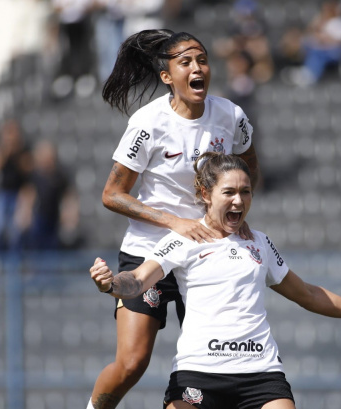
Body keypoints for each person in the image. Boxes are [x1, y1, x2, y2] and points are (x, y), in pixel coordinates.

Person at [90, 152, 341, 409]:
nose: (239, 201)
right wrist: (111, 284)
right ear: (206, 194)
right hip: (199, 372)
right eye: (228, 192)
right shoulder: (184, 239)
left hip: (261, 373)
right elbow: (139, 280)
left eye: (245, 191)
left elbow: (307, 293)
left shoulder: (260, 243)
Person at [87, 29, 260, 409]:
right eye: (186, 62)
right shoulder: (148, 123)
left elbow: (249, 164)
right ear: (167, 76)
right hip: (149, 253)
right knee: (132, 364)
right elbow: (111, 194)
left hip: (203, 256)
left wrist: (236, 213)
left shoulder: (231, 116)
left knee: (218, 364)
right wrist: (173, 221)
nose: (197, 68)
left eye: (202, 60)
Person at [0, 119, 32, 252]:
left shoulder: (24, 149)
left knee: (16, 232)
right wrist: (5, 150)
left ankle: (13, 265)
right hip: (1, 193)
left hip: (18, 194)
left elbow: (28, 169)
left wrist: (16, 152)